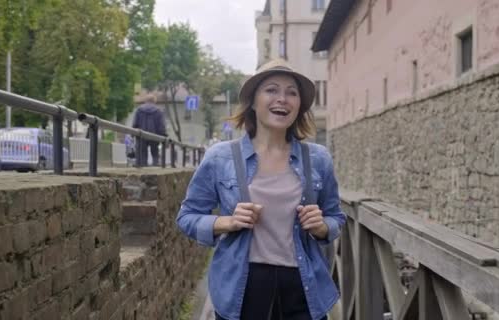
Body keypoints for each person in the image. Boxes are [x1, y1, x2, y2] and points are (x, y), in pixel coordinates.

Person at [176, 59, 345, 320]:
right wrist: (226, 221)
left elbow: (336, 217)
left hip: (304, 288)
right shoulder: (220, 157)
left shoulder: (318, 158)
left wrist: (322, 227)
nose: (283, 99)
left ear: (299, 105)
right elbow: (187, 217)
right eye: (272, 90)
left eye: (292, 92)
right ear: (253, 102)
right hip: (241, 289)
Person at [132, 94, 166, 166]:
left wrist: (133, 133)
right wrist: (163, 135)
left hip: (141, 135)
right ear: (154, 101)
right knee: (155, 153)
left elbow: (135, 123)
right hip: (154, 136)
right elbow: (161, 125)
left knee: (142, 154)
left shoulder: (139, 110)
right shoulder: (158, 111)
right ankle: (155, 167)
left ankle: (142, 168)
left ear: (145, 101)